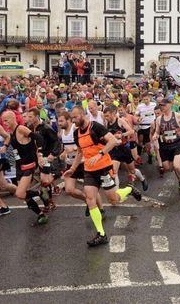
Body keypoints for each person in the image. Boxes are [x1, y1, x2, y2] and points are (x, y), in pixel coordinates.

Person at [64, 106, 142, 247]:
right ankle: (101, 234)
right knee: (90, 199)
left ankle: (129, 189)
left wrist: (100, 154)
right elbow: (80, 152)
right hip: (89, 170)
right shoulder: (76, 133)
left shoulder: (96, 127)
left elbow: (112, 141)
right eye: (72, 118)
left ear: (82, 115)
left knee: (113, 200)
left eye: (75, 117)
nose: (73, 120)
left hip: (104, 167)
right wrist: (73, 168)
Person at [58, 111, 104, 216]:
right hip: (70, 164)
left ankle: (101, 209)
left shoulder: (75, 129)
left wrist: (73, 148)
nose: (59, 123)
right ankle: (88, 201)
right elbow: (66, 147)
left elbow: (82, 146)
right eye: (58, 121)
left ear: (68, 120)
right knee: (69, 190)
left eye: (61, 121)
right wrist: (63, 153)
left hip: (83, 162)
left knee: (91, 189)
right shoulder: (62, 132)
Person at [152, 98, 180, 197]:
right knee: (168, 167)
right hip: (165, 146)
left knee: (177, 165)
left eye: (164, 105)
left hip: (177, 143)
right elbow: (157, 131)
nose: (162, 107)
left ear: (170, 105)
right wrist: (155, 135)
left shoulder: (177, 115)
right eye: (161, 105)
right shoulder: (158, 119)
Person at [103, 105, 148, 191]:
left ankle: (142, 179)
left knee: (132, 171)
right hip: (114, 150)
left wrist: (122, 135)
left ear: (113, 114)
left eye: (107, 116)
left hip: (124, 149)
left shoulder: (120, 121)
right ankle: (117, 193)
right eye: (105, 116)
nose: (106, 118)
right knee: (114, 171)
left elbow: (131, 131)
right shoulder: (107, 123)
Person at [26, 107, 63, 212]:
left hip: (46, 157)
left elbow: (56, 141)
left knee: (44, 180)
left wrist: (53, 154)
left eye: (30, 116)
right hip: (37, 157)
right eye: (28, 116)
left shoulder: (46, 127)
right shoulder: (29, 127)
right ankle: (50, 202)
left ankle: (49, 203)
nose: (28, 118)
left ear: (37, 117)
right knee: (45, 181)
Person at [136, 93, 156, 164]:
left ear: (149, 98)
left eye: (147, 99)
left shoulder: (154, 104)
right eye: (144, 99)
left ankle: (149, 157)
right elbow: (136, 115)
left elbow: (158, 112)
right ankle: (138, 157)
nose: (145, 101)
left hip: (150, 126)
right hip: (141, 126)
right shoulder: (140, 106)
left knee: (148, 144)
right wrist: (138, 119)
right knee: (140, 142)